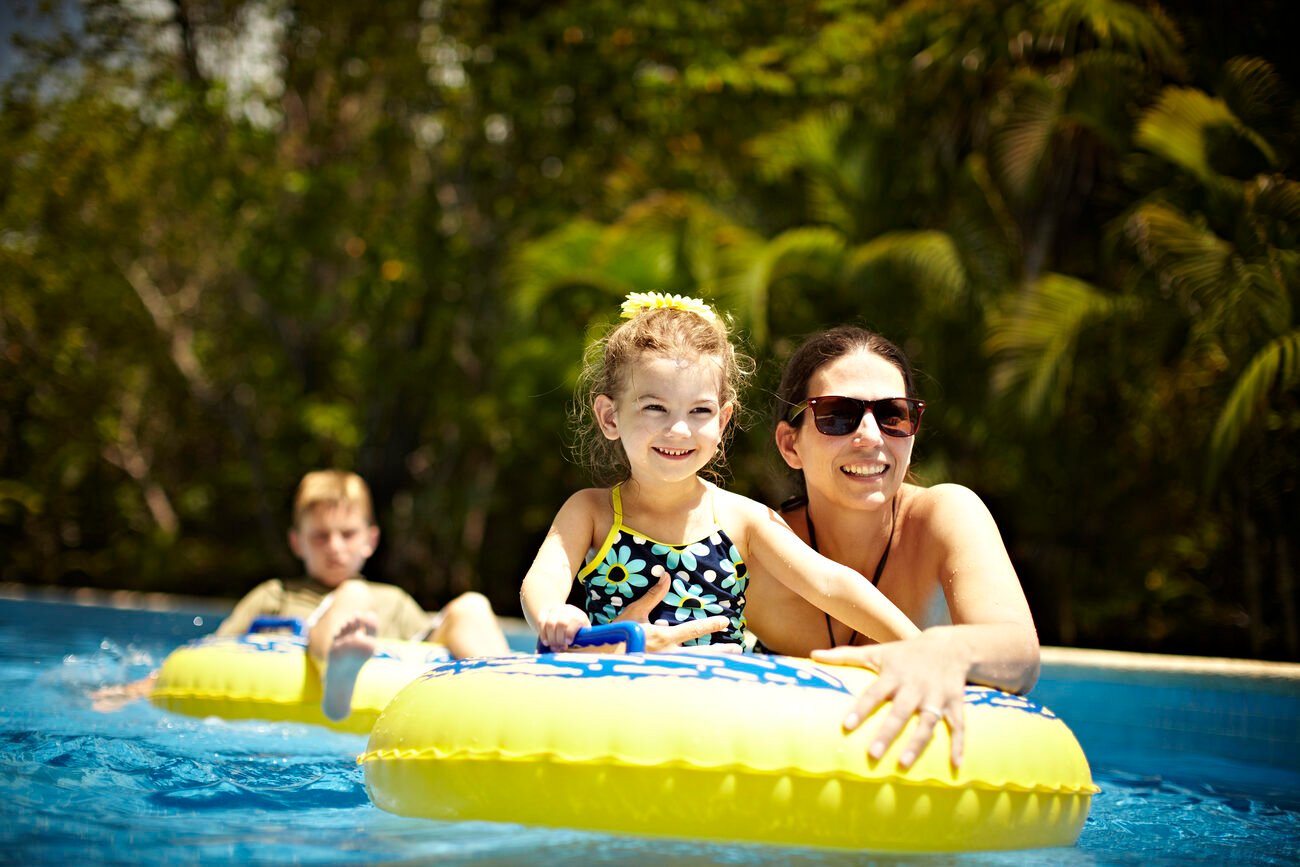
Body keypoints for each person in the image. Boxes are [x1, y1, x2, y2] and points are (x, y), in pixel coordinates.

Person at [519, 292, 920, 653]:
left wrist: (922, 647)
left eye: (700, 411)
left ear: (723, 420)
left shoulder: (742, 519)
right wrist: (554, 614)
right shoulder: (591, 511)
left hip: (717, 700)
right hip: (621, 688)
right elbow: (543, 580)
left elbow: (831, 584)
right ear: (610, 417)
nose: (679, 429)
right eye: (655, 408)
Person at [744, 325, 1040, 770]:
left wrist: (942, 650)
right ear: (791, 444)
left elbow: (1020, 655)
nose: (870, 435)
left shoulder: (944, 514)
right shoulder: (759, 548)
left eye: (893, 416)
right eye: (837, 415)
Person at [92, 470, 510, 720]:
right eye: (320, 536)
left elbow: (429, 644)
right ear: (297, 542)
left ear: (370, 540)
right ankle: (336, 675)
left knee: (472, 603)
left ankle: (511, 689)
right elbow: (211, 652)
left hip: (386, 665)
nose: (335, 546)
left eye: (347, 534)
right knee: (351, 595)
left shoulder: (392, 600)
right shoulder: (274, 595)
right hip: (313, 673)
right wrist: (138, 689)